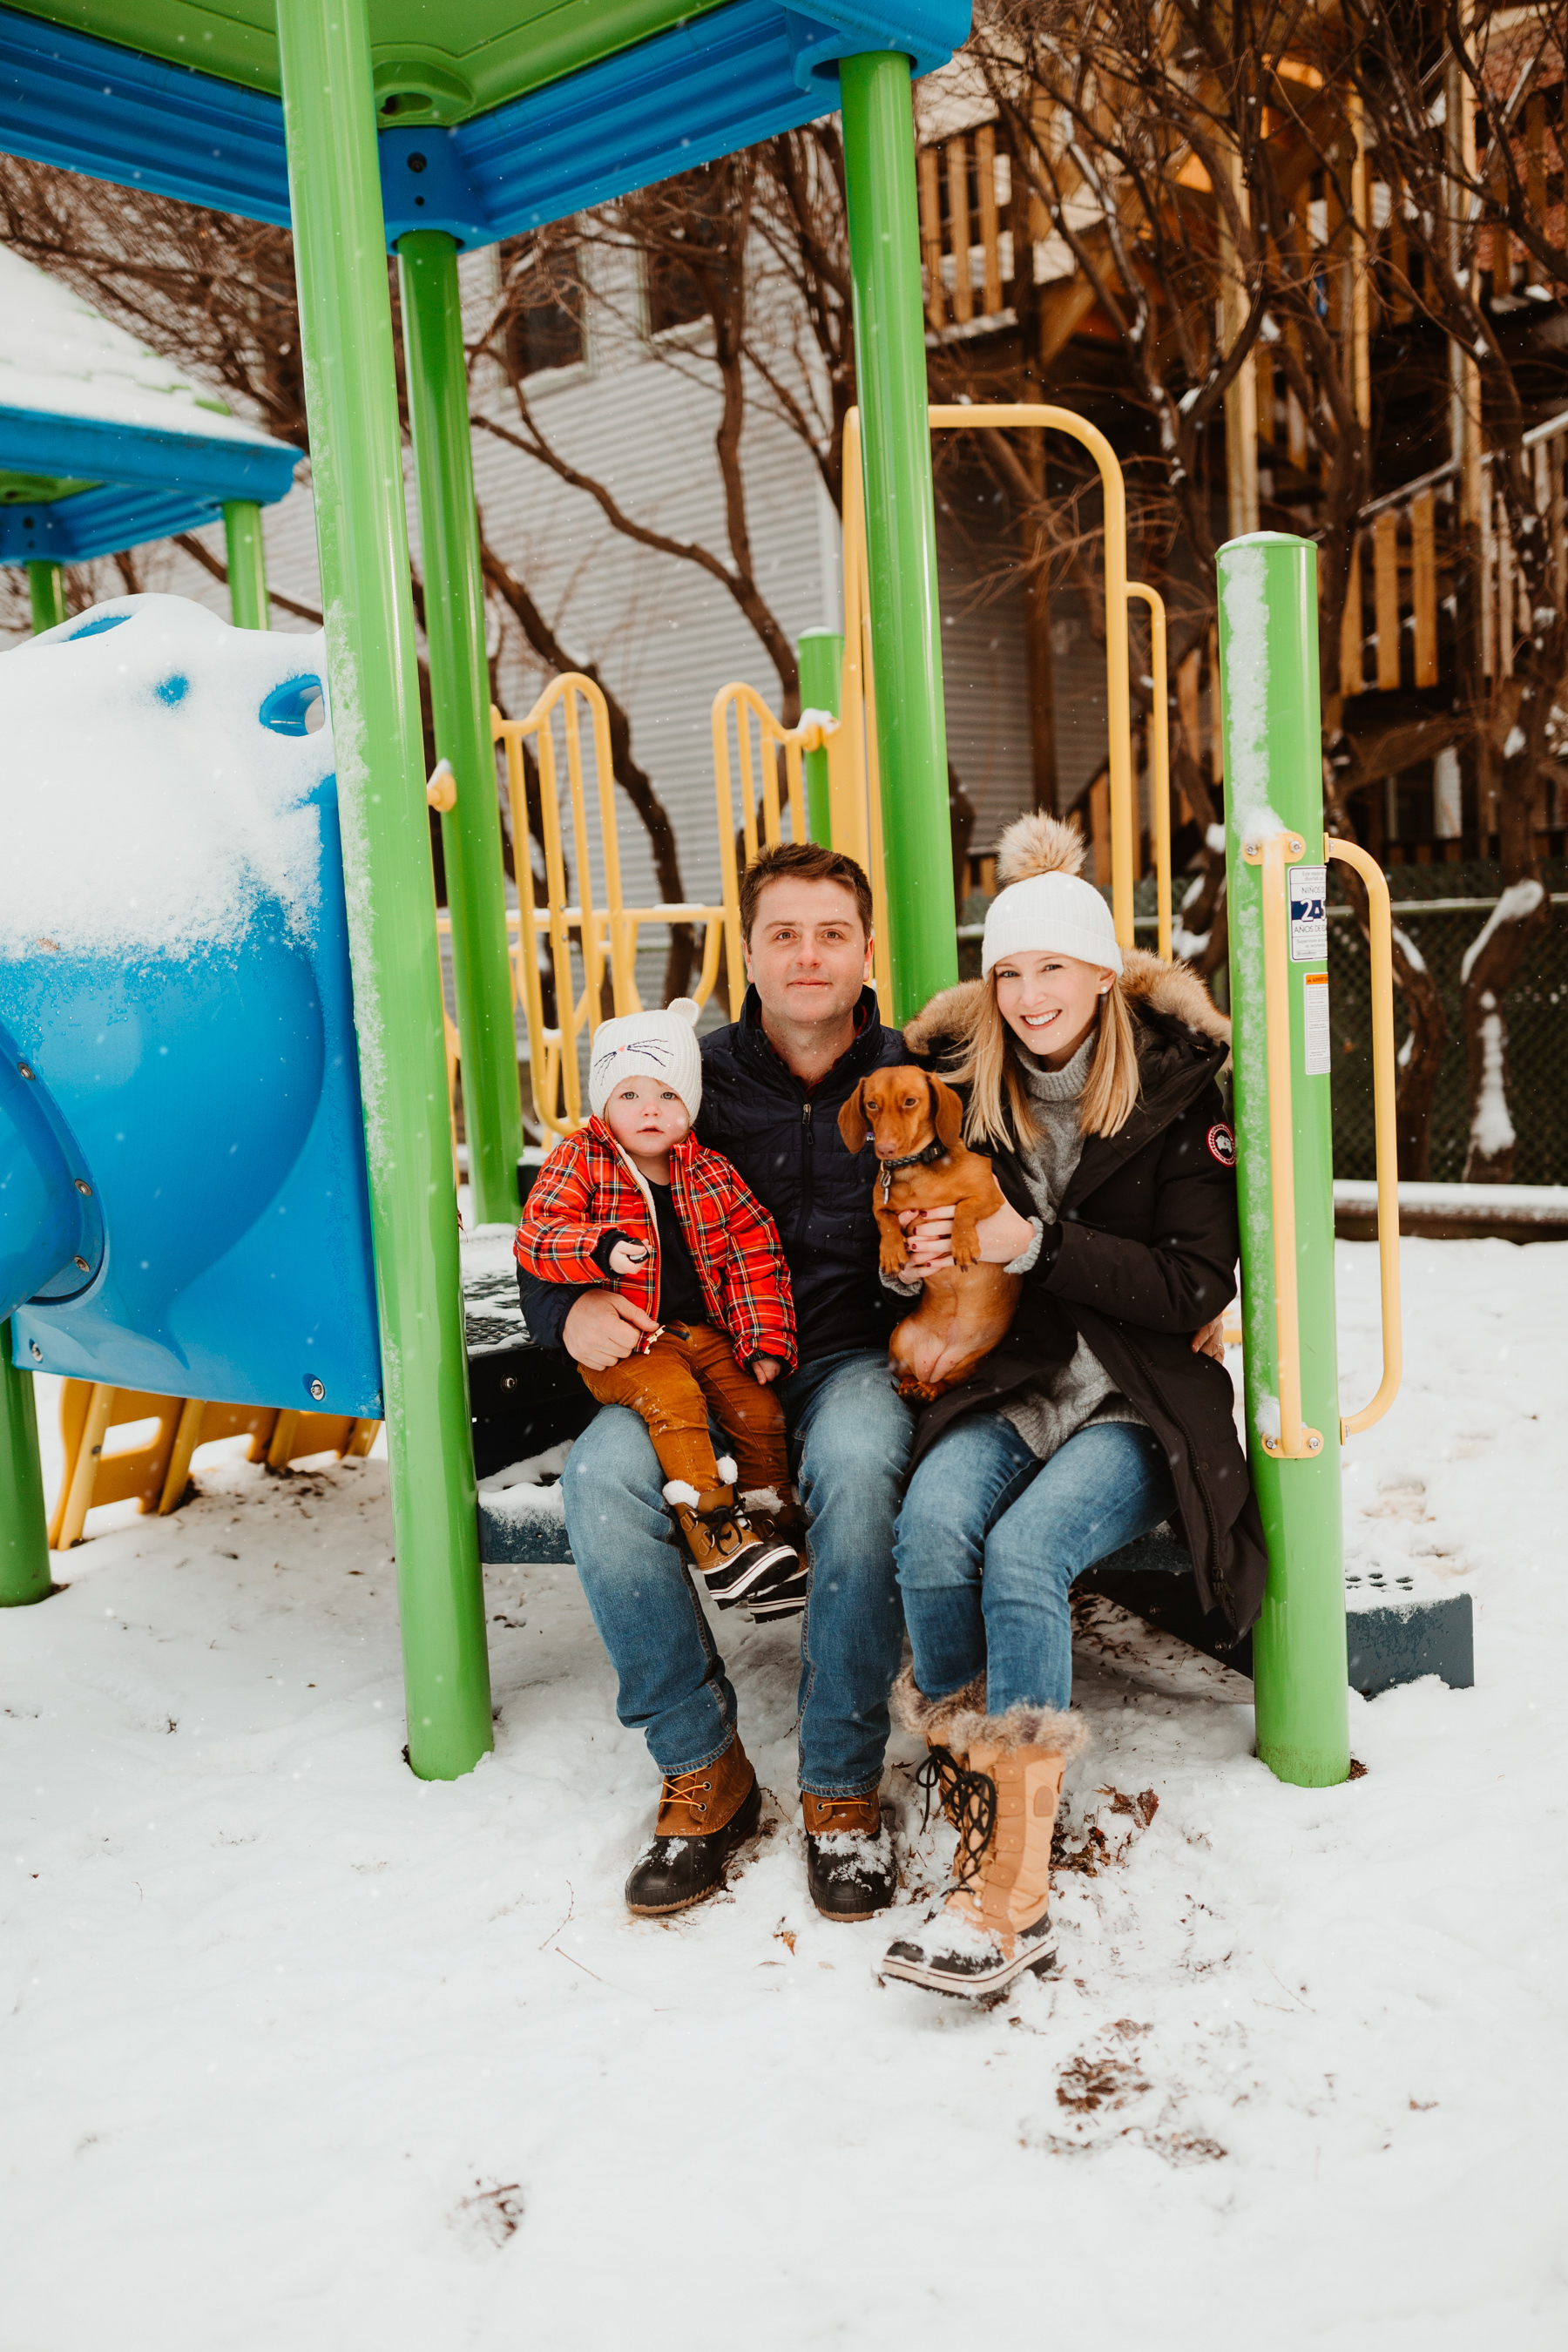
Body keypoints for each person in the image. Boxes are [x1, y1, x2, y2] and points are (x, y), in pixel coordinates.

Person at [876, 810, 1266, 2001]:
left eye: (1055, 967)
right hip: (1016, 1378)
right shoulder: (959, 1083)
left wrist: (1037, 1242)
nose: (1032, 993)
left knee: (1026, 1556)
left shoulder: (1176, 1086)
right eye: (1010, 970)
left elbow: (1197, 1281)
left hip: (1137, 1399)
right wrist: (912, 1260)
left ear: (1102, 973)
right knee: (933, 1528)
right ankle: (974, 1775)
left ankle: (1012, 1883)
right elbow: (906, 1233)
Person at [514, 842, 916, 1922]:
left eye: (832, 932)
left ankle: (839, 1782)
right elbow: (566, 1206)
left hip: (847, 1359)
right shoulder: (685, 1076)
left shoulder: (913, 1075)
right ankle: (704, 1766)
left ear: (867, 949)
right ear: (750, 949)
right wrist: (570, 1309)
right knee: (601, 1486)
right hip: (691, 1358)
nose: (807, 955)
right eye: (783, 932)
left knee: (864, 1467)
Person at [513, 997, 807, 1618]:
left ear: (690, 1105)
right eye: (630, 1095)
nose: (650, 1109)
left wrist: (764, 1338)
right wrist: (600, 1249)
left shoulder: (711, 1172)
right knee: (675, 1402)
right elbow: (538, 1236)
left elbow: (756, 1251)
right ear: (603, 1103)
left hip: (705, 1333)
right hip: (629, 1341)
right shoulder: (580, 1160)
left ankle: (769, 1530)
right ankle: (718, 1541)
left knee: (757, 1411)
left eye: (668, 1096)